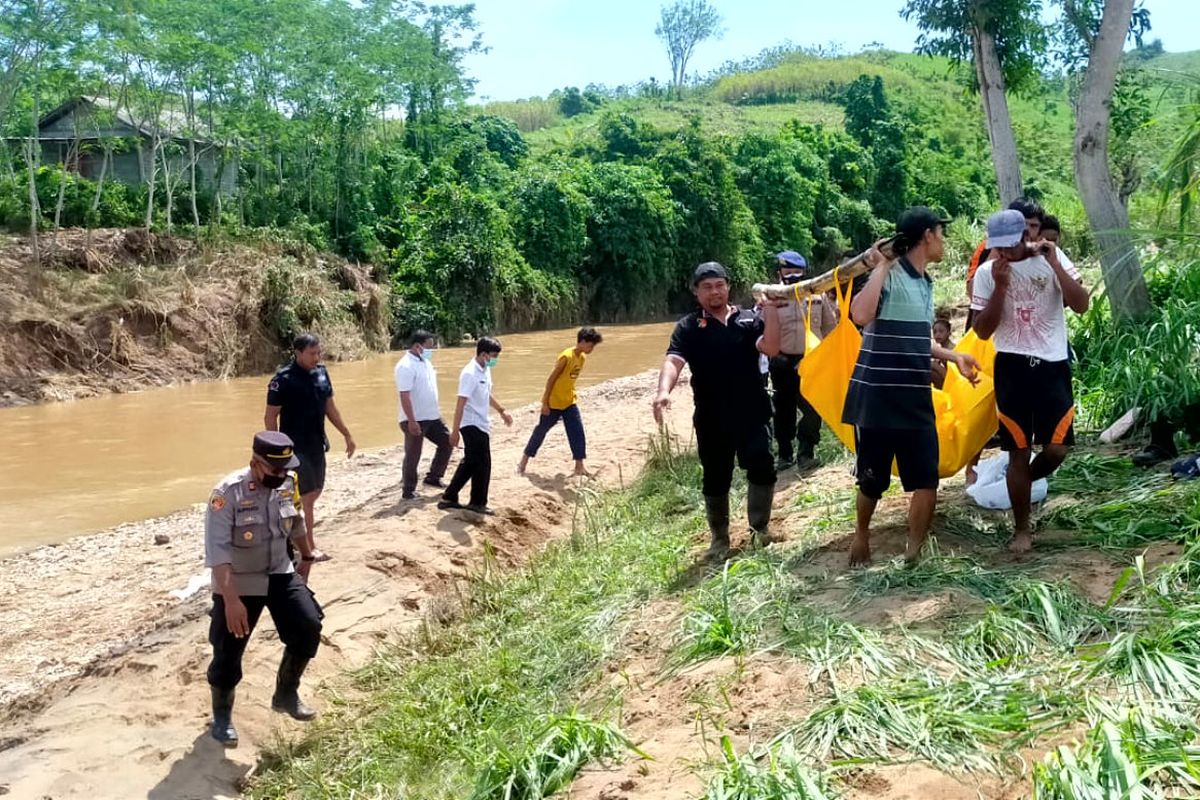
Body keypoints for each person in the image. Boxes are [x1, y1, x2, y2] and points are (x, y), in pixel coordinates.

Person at [843, 208, 981, 567]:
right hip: (878, 396)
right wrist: (882, 267)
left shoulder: (925, 283)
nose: (944, 241)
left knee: (926, 478)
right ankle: (861, 537)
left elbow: (917, 342)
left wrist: (954, 357)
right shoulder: (888, 276)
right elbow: (859, 316)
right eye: (941, 233)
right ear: (926, 236)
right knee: (872, 481)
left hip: (915, 395)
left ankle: (913, 553)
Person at [971, 209, 1089, 555]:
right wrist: (1001, 286)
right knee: (1017, 451)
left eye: (1010, 245)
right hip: (1012, 366)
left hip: (1053, 364)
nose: (1004, 253)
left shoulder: (1054, 258)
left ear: (1026, 235)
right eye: (998, 247)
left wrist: (1054, 266)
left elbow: (1081, 304)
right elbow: (981, 329)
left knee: (1057, 449)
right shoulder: (987, 273)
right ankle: (1022, 528)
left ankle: (1019, 486)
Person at [653, 261, 782, 560]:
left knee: (762, 465)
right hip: (712, 416)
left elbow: (772, 348)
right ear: (696, 292)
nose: (715, 292)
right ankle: (720, 540)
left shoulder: (749, 320)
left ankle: (759, 530)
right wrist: (663, 391)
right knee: (715, 475)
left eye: (719, 285)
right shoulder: (688, 327)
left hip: (753, 410)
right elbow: (673, 361)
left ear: (728, 287)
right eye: (707, 287)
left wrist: (772, 311)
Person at [205, 431, 323, 747]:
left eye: (285, 468)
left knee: (308, 625)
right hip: (239, 580)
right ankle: (222, 716)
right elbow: (217, 552)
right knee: (228, 652)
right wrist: (230, 601)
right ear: (255, 463)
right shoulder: (226, 493)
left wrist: (307, 554)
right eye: (274, 469)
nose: (281, 475)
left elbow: (295, 521)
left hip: (279, 571)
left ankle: (285, 693)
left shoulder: (286, 482)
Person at [265, 333, 356, 561]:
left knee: (314, 492)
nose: (316, 357)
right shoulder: (283, 379)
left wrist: (346, 434)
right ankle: (309, 547)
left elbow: (330, 408)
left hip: (317, 443)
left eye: (318, 353)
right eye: (312, 354)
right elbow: (270, 417)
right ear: (298, 353)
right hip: (294, 449)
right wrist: (276, 451)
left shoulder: (322, 373)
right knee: (306, 497)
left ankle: (292, 538)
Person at [769, 250, 838, 471]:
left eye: (797, 272)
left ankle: (806, 452)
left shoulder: (817, 295)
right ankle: (785, 453)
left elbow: (830, 329)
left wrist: (827, 358)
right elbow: (763, 332)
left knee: (813, 408)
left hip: (812, 361)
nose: (793, 276)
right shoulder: (771, 297)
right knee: (784, 410)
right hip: (782, 362)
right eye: (788, 272)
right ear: (779, 272)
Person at [439, 337, 513, 514]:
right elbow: (460, 403)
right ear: (483, 354)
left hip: (481, 422)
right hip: (470, 424)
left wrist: (501, 411)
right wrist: (455, 431)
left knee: (472, 462)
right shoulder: (469, 373)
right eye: (494, 356)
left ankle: (449, 497)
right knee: (483, 463)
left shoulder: (485, 369)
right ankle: (478, 502)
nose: (495, 359)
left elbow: (486, 394)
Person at [518, 327, 603, 477]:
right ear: (582, 342)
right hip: (553, 403)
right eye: (590, 345)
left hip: (569, 401)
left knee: (577, 431)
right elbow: (551, 380)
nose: (592, 349)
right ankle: (523, 461)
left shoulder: (582, 357)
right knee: (541, 431)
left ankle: (579, 466)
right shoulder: (566, 357)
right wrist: (545, 403)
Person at [395, 330, 453, 500]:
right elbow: (404, 395)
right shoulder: (405, 366)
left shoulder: (425, 362)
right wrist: (411, 421)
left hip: (433, 416)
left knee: (447, 442)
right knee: (413, 454)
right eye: (429, 346)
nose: (431, 350)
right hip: (415, 419)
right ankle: (408, 490)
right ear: (417, 346)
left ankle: (434, 477)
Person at [930, 318, 954, 390]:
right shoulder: (942, 349)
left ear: (949, 333)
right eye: (935, 332)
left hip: (954, 382)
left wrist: (934, 365)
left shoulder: (951, 349)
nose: (937, 335)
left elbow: (950, 375)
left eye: (941, 331)